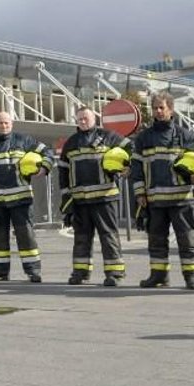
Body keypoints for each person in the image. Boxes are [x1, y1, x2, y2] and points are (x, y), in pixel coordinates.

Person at [129, 91, 194, 290]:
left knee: (187, 240)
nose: (158, 112)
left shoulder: (184, 135)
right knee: (156, 241)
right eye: (155, 108)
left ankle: (193, 276)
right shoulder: (143, 138)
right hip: (155, 202)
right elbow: (136, 169)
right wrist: (140, 193)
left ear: (171, 109)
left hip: (181, 201)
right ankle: (158, 276)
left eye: (162, 108)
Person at [0, 111, 54, 283]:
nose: (4, 126)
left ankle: (33, 271)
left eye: (6, 123)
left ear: (12, 124)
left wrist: (44, 168)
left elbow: (47, 152)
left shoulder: (24, 140)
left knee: (26, 235)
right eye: (1, 123)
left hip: (21, 199)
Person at [58, 106, 132, 286]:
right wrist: (66, 199)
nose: (83, 121)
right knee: (81, 238)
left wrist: (126, 166)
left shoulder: (108, 136)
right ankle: (80, 272)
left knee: (109, 236)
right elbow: (63, 172)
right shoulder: (71, 143)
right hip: (80, 201)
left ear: (94, 119)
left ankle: (115, 273)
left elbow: (131, 148)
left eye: (86, 118)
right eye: (80, 119)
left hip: (105, 198)